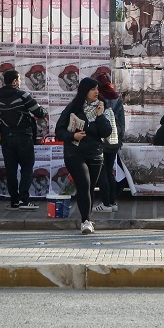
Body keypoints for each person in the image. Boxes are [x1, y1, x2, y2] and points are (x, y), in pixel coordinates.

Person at [54, 77, 112, 235]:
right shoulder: (73, 107)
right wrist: (73, 136)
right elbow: (59, 131)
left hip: (95, 153)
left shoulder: (102, 106)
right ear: (84, 91)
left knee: (90, 187)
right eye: (93, 89)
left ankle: (88, 219)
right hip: (75, 153)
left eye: (97, 89)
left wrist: (100, 116)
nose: (96, 92)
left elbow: (107, 132)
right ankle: (85, 221)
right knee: (84, 184)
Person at [0, 68, 47, 210]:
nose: (20, 82)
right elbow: (40, 112)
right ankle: (24, 200)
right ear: (15, 81)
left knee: (11, 170)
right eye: (19, 79)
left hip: (6, 139)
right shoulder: (23, 95)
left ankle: (14, 201)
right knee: (26, 168)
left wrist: (3, 129)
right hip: (24, 137)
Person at [94, 72, 125, 213]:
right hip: (114, 140)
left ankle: (105, 203)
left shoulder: (98, 98)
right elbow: (122, 122)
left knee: (102, 172)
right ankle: (113, 202)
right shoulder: (117, 99)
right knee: (109, 172)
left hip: (101, 139)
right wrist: (120, 139)